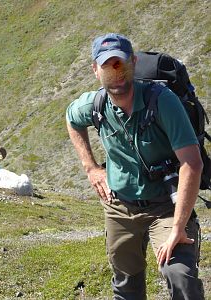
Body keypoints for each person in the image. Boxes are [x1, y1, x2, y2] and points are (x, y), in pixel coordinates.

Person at [66, 33, 205, 300]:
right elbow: (72, 119)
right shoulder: (95, 105)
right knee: (126, 285)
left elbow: (192, 162)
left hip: (166, 206)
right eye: (107, 65)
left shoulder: (162, 101)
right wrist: (91, 168)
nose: (116, 72)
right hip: (120, 207)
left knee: (180, 276)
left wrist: (178, 226)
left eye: (121, 63)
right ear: (95, 70)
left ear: (134, 62)